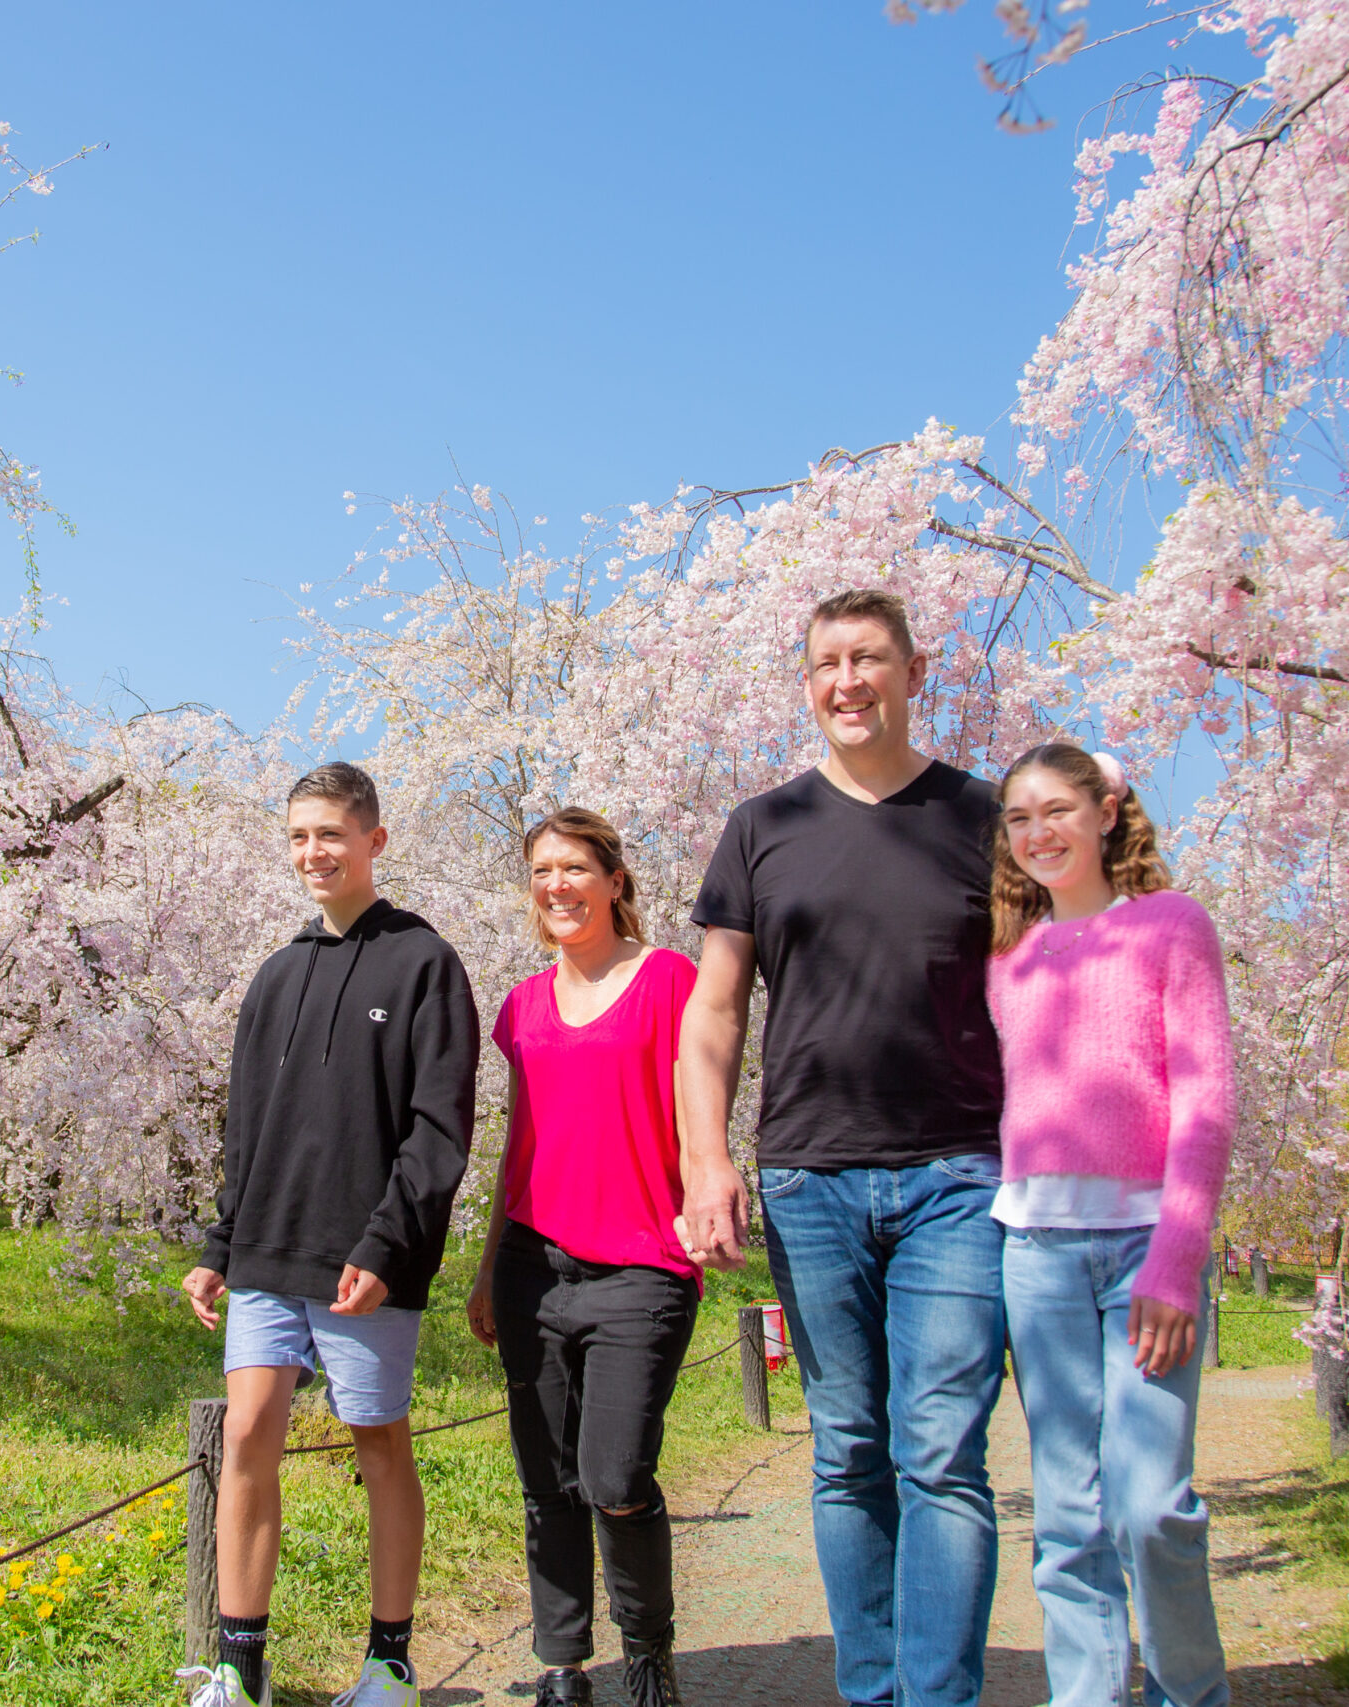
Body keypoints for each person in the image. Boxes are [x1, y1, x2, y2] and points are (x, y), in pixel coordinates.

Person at [675, 589, 1010, 1707]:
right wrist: (707, 1161)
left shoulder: (985, 818)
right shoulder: (761, 828)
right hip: (809, 1179)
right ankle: (873, 1690)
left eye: (869, 658)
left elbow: (1041, 997)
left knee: (942, 1458)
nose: (847, 680)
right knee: (848, 1451)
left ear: (916, 673)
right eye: (826, 662)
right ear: (808, 682)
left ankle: (938, 1696)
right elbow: (715, 1011)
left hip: (961, 1174)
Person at [179, 763, 480, 1707]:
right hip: (268, 1249)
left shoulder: (425, 963)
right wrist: (220, 1243)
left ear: (374, 841)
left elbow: (441, 1128)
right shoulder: (276, 973)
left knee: (378, 1443)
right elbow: (247, 1124)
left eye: (333, 835)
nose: (315, 853)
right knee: (248, 1440)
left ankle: (389, 1661)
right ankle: (239, 1666)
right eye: (301, 836)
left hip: (366, 1264)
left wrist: (389, 1245)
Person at [985, 741, 1233, 1707]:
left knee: (1151, 1505)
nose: (1039, 832)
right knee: (1068, 1514)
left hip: (1145, 1253)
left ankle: (1189, 1694)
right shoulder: (1012, 958)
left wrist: (1176, 1260)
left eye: (1057, 810)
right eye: (1019, 818)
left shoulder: (1172, 927)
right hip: (1036, 1253)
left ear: (1107, 811)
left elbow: (1206, 1100)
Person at [467, 809, 702, 1707]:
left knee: (613, 1476)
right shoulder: (523, 1006)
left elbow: (699, 1113)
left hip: (643, 1269)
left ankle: (647, 1651)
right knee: (545, 1481)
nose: (557, 885)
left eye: (574, 867)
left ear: (613, 879)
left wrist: (708, 1203)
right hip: (535, 1267)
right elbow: (519, 1145)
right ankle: (563, 1666)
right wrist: (490, 1268)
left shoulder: (669, 980)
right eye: (541, 871)